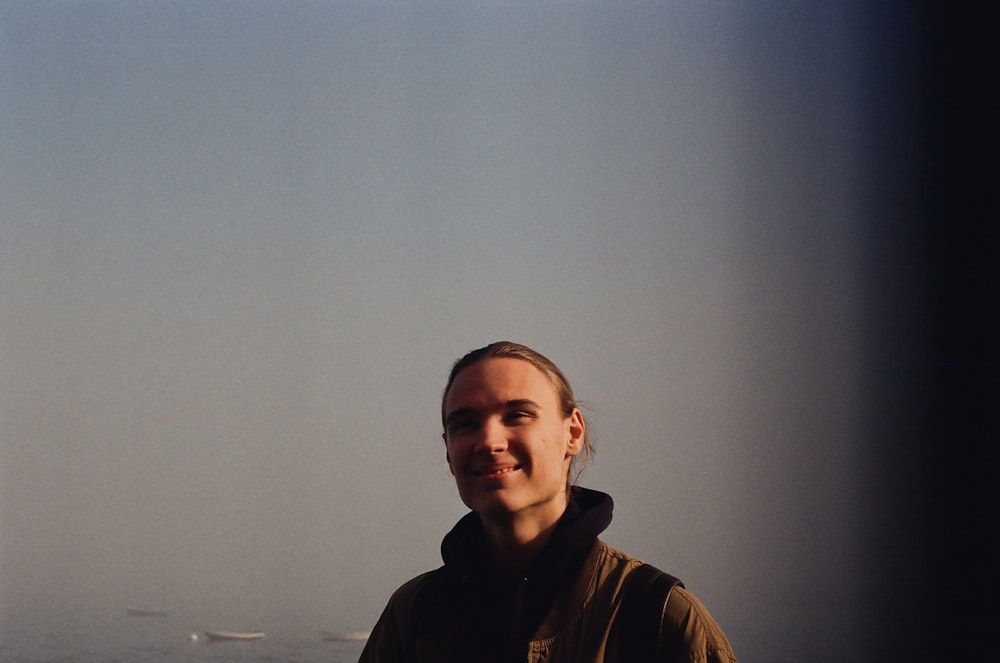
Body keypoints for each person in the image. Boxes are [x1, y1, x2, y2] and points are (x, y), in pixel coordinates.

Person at [359, 341, 736, 663]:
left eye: (517, 415)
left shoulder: (655, 615)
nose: (489, 441)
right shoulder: (415, 615)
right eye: (465, 424)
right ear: (447, 452)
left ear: (572, 432)